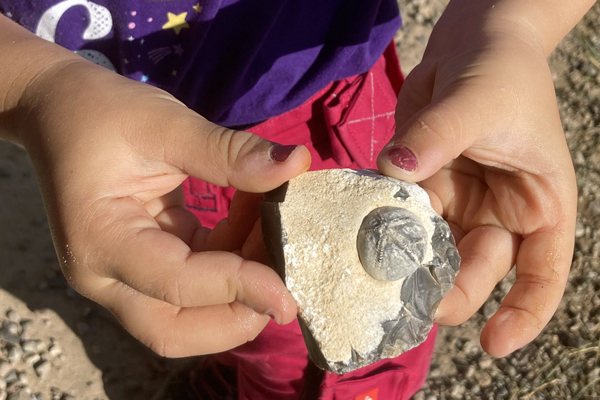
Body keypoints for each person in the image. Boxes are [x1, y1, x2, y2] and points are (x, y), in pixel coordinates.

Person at [0, 0, 593, 398]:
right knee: (226, 297)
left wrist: (511, 26)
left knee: (303, 329)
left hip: (325, 102)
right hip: (112, 133)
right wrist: (34, 85)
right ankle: (237, 377)